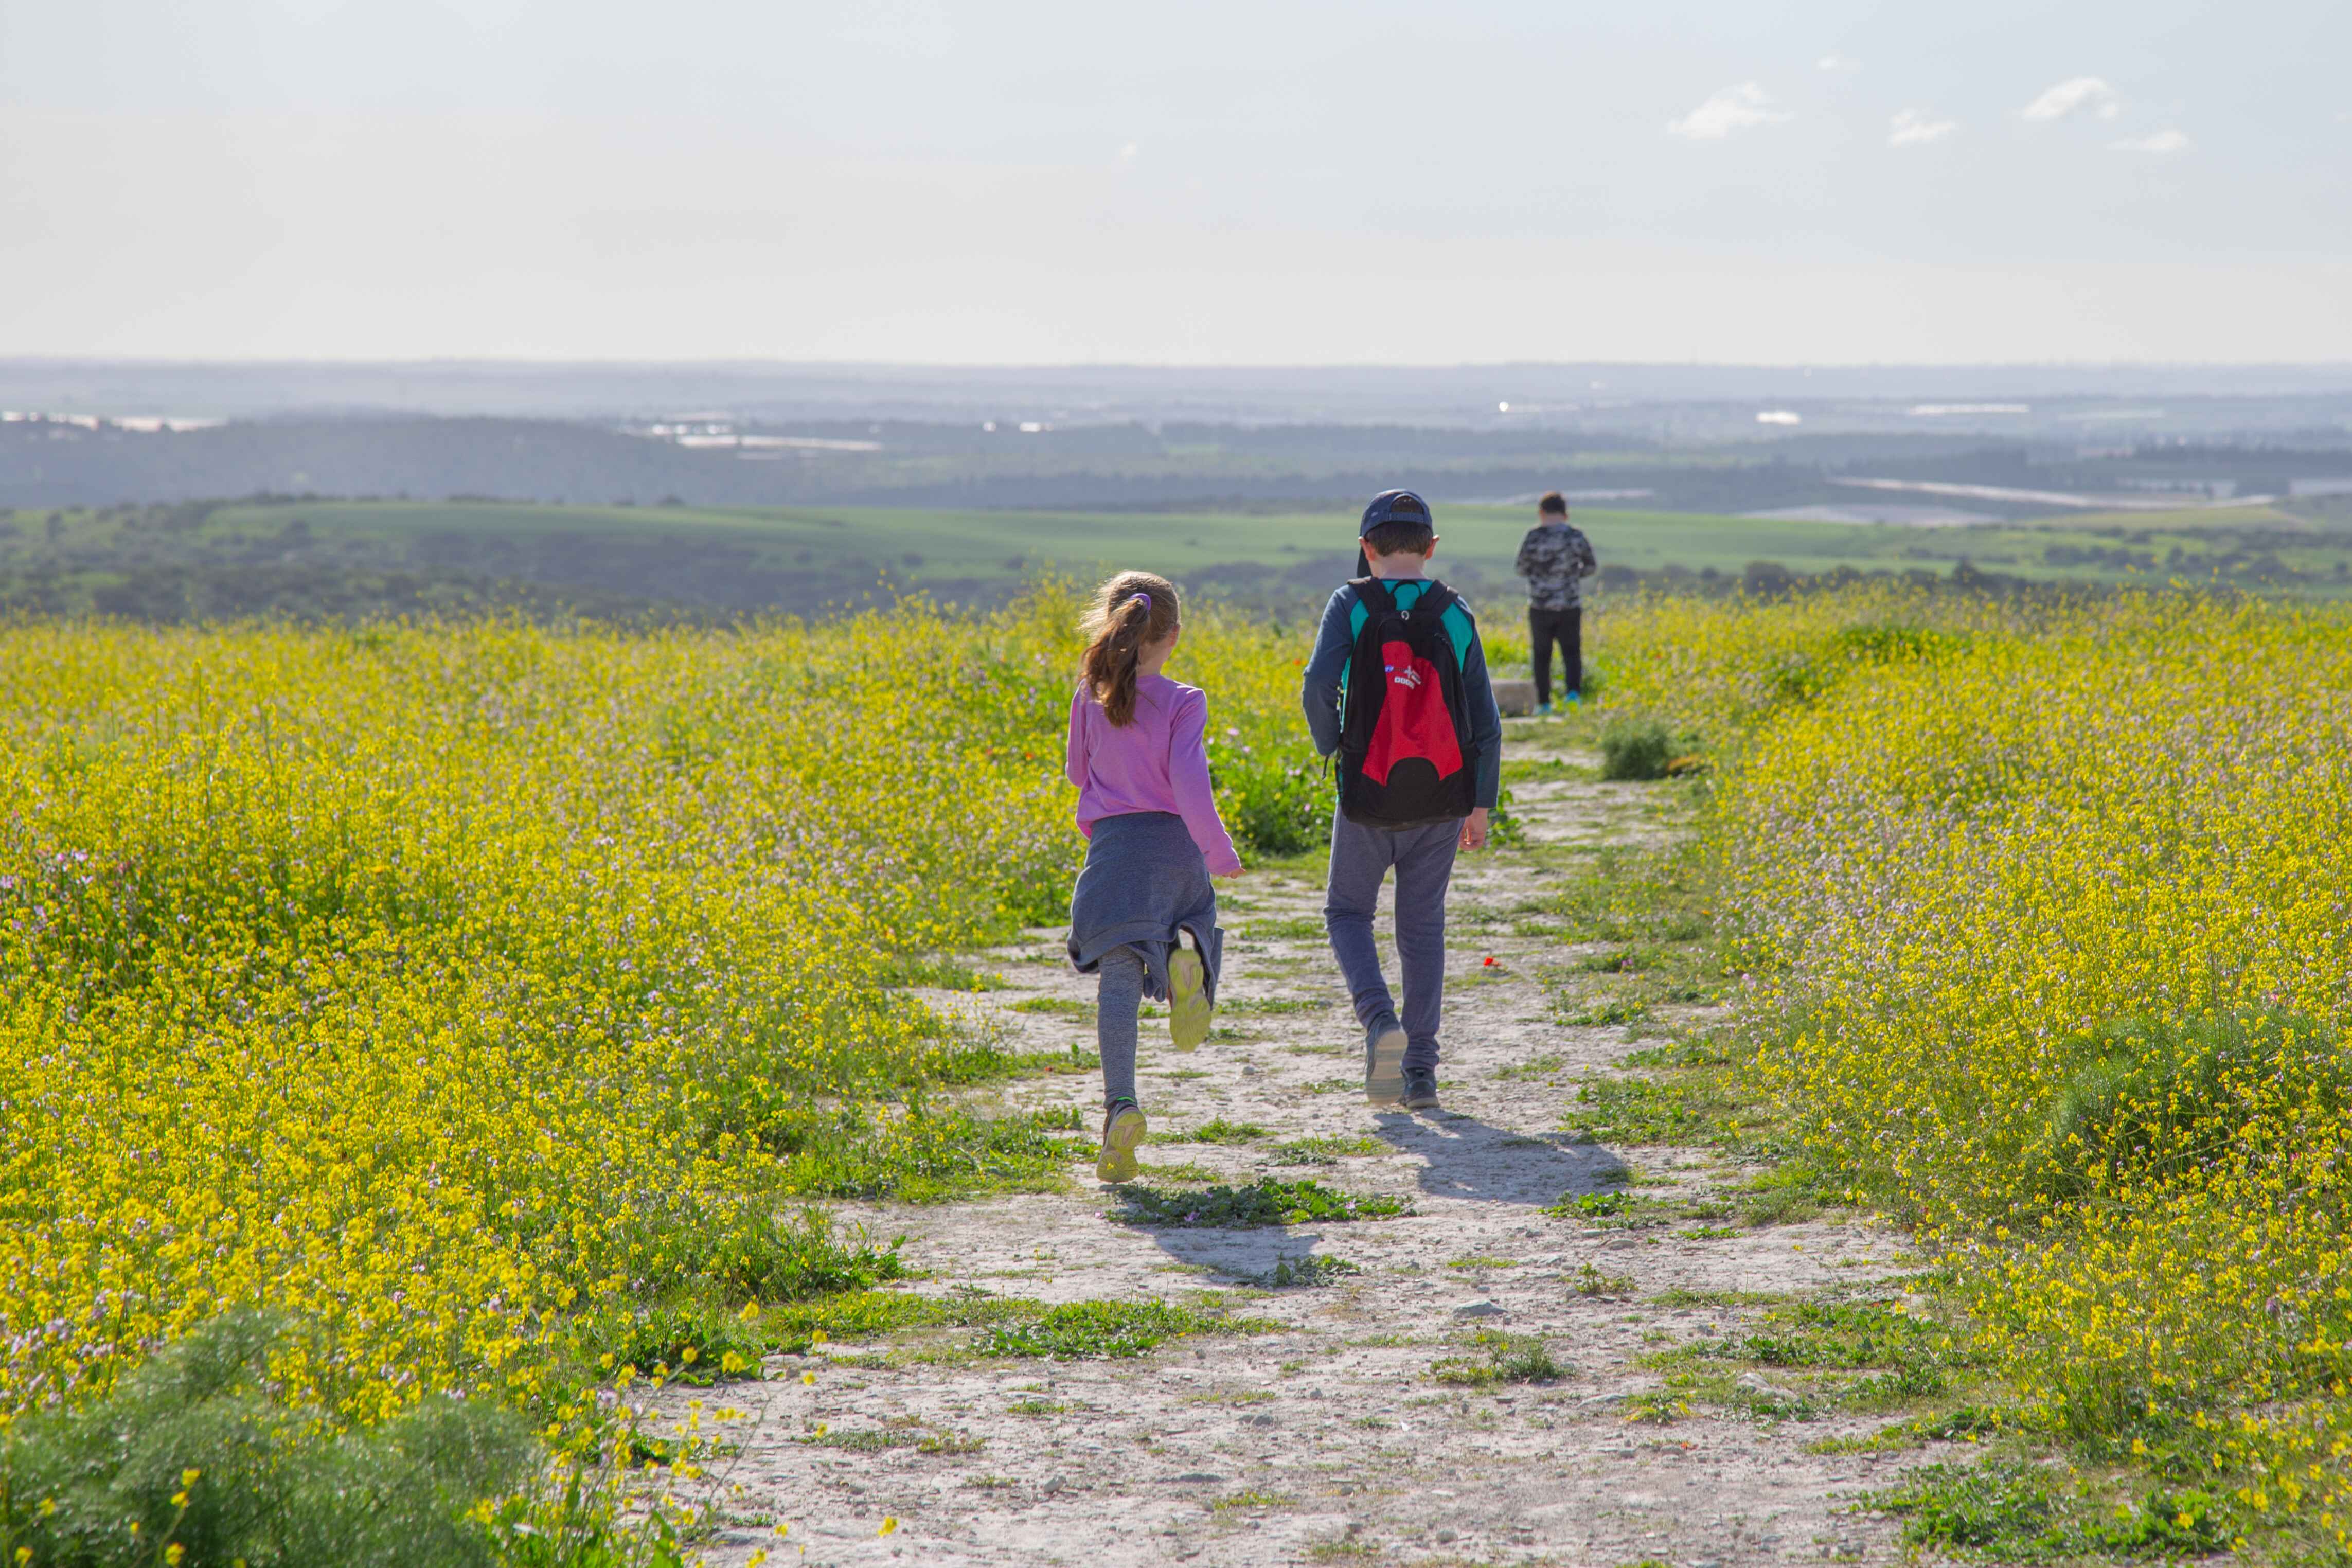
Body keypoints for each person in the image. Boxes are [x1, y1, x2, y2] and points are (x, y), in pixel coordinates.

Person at [1300, 490, 1502, 1112]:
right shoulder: (1454, 610)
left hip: (1367, 792)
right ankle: (1420, 1073)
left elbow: (1316, 688)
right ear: (1431, 548)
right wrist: (1480, 803)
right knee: (1422, 927)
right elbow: (1486, 720)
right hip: (1444, 796)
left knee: (1347, 914)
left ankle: (1379, 1019)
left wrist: (1335, 749)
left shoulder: (1349, 602)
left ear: (1367, 548)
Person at [1064, 570, 1244, 1182]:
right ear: (1173, 637)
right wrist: (1217, 852)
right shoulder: (1185, 701)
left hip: (1114, 851)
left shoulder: (1087, 693)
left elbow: (1074, 775)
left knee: (1116, 978)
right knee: (1189, 917)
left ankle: (1120, 1106)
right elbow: (1191, 785)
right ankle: (1185, 957)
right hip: (1175, 848)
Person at [1513, 491, 1598, 714]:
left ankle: (1544, 703)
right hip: (1569, 604)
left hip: (1540, 606)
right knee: (1572, 653)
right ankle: (1573, 696)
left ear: (1541, 513)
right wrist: (1570, 576)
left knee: (1541, 655)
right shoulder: (1575, 537)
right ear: (1566, 514)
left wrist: (1541, 576)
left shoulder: (1533, 537)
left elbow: (1521, 568)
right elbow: (1590, 566)